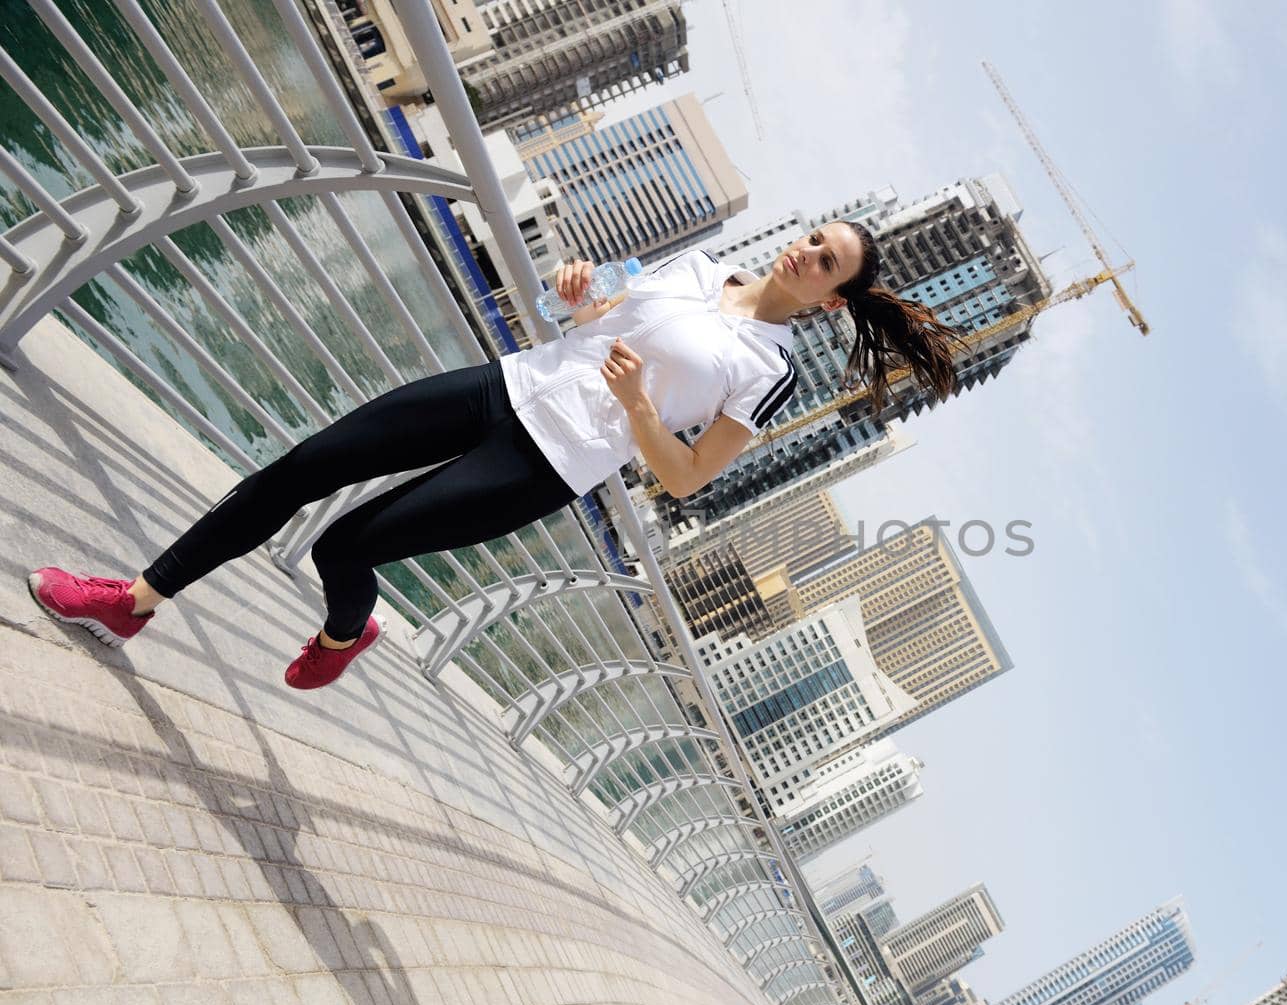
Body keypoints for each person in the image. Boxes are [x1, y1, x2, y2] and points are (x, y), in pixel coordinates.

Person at [28, 221, 965, 688]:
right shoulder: (702, 264)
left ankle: (348, 631)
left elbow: (683, 477)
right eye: (814, 239)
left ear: (835, 301)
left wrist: (640, 406)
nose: (808, 255)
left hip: (544, 463)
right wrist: (575, 297)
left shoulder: (769, 372)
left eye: (829, 263)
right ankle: (133, 603)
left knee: (342, 548)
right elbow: (597, 318)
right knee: (302, 466)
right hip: (505, 384)